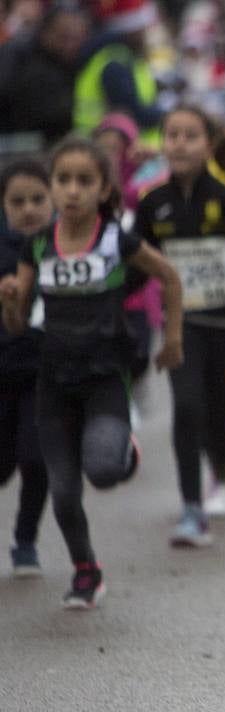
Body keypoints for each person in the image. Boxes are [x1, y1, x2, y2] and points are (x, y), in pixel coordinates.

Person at [0, 137, 183, 608]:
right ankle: (86, 570)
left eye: (85, 181)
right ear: (53, 187)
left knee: (102, 472)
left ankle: (125, 450)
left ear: (104, 189)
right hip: (53, 385)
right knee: (62, 492)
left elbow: (169, 276)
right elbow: (19, 323)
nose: (73, 191)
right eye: (63, 180)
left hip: (104, 378)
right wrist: (10, 305)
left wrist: (174, 338)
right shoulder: (36, 246)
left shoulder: (115, 240)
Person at [135, 104, 225, 546]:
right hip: (183, 322)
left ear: (208, 145)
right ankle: (192, 508)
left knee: (222, 405)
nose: (179, 143)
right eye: (172, 134)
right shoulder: (152, 202)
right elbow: (136, 265)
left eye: (190, 135)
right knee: (188, 405)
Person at [0, 158, 53, 577]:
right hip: (3, 373)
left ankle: (25, 539)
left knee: (36, 459)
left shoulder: (65, 245)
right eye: (18, 201)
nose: (29, 209)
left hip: (46, 375)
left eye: (38, 199)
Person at [72, 0, 162, 147]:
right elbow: (133, 114)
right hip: (109, 147)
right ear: (131, 30)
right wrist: (170, 112)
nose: (146, 35)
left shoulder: (121, 56)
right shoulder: (115, 64)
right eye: (142, 29)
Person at [0, 2, 90, 144]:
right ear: (45, 31)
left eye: (77, 38)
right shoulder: (16, 56)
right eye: (64, 37)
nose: (71, 45)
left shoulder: (78, 61)